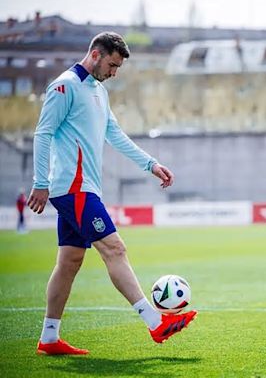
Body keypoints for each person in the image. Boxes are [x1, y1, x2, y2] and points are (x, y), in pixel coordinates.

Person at [28, 32, 196, 356]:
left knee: (69, 262)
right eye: (112, 64)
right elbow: (43, 132)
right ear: (95, 54)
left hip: (84, 188)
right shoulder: (65, 86)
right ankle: (155, 323)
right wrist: (40, 182)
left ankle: (49, 337)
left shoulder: (98, 93)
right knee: (115, 249)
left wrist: (151, 165)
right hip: (72, 187)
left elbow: (115, 136)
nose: (114, 72)